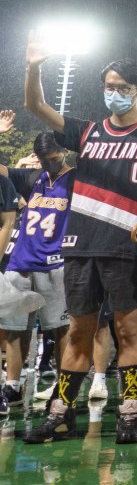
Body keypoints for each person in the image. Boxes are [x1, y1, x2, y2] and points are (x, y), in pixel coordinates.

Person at [21, 45, 137, 445]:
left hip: (127, 243)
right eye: (108, 86)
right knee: (78, 332)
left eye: (122, 87)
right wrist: (33, 68)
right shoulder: (86, 131)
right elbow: (35, 104)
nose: (114, 93)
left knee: (128, 330)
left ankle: (129, 413)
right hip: (80, 243)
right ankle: (61, 414)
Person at [0, 129, 68, 418]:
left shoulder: (77, 179)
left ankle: (65, 388)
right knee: (14, 328)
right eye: (43, 159)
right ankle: (13, 385)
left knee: (61, 329)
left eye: (53, 158)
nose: (48, 164)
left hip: (56, 262)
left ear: (65, 151)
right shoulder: (32, 178)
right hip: (22, 260)